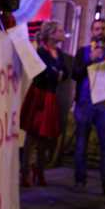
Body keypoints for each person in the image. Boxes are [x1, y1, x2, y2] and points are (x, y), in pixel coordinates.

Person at [71, 18, 105, 197]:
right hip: (84, 103)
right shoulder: (82, 51)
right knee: (81, 144)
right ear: (92, 31)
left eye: (103, 28)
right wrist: (90, 60)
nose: (100, 31)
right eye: (97, 28)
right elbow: (75, 74)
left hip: (104, 105)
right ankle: (80, 181)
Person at [20, 21, 68, 187]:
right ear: (51, 34)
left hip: (51, 96)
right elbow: (42, 73)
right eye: (60, 30)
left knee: (45, 138)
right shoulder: (41, 51)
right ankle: (25, 172)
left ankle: (39, 170)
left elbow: (65, 72)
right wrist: (55, 74)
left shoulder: (59, 53)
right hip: (39, 95)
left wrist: (55, 73)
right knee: (32, 136)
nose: (63, 33)